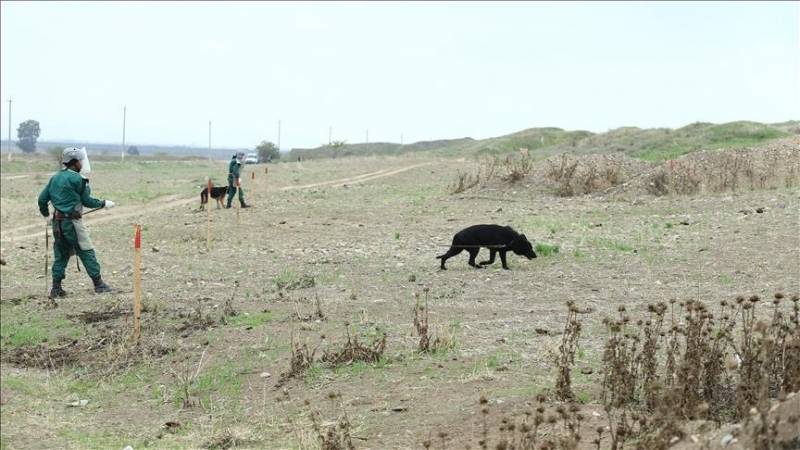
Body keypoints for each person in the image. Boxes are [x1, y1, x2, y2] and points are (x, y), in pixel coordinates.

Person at [38, 147, 116, 298]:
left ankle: (56, 289)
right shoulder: (79, 180)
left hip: (57, 223)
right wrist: (104, 203)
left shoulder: (55, 177)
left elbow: (42, 199)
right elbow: (87, 201)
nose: (82, 163)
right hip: (72, 224)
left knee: (61, 254)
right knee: (86, 250)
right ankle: (99, 284)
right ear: (74, 162)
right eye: (80, 160)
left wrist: (46, 216)